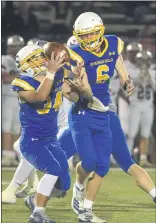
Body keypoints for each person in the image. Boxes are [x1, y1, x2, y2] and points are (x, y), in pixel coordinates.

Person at [62, 12, 134, 223]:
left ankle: (86, 210)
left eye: (92, 34)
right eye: (83, 36)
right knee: (90, 162)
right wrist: (82, 91)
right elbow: (70, 93)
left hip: (104, 111)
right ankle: (75, 187)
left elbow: (116, 58)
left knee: (102, 166)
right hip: (83, 111)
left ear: (100, 30)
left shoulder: (113, 43)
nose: (89, 39)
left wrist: (126, 80)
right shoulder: (74, 54)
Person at [11, 44, 71, 223]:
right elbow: (40, 96)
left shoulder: (56, 75)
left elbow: (69, 90)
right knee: (52, 169)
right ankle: (38, 214)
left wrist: (81, 86)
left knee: (63, 185)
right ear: (28, 63)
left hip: (51, 139)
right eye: (38, 57)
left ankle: (34, 200)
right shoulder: (21, 83)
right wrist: (51, 73)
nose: (44, 59)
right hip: (32, 140)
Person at [127, 50, 155, 167]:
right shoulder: (132, 71)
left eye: (145, 60)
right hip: (135, 105)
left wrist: (149, 77)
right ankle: (127, 156)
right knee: (131, 133)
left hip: (148, 106)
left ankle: (143, 158)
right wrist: (139, 76)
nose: (143, 63)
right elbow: (130, 85)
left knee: (146, 133)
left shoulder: (153, 72)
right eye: (141, 60)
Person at [2, 55, 20, 166]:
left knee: (16, 128)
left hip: (19, 97)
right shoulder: (4, 59)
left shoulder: (23, 58)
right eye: (13, 46)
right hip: (6, 96)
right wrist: (16, 78)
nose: (15, 48)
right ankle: (6, 155)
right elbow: (4, 78)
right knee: (6, 127)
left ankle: (13, 156)